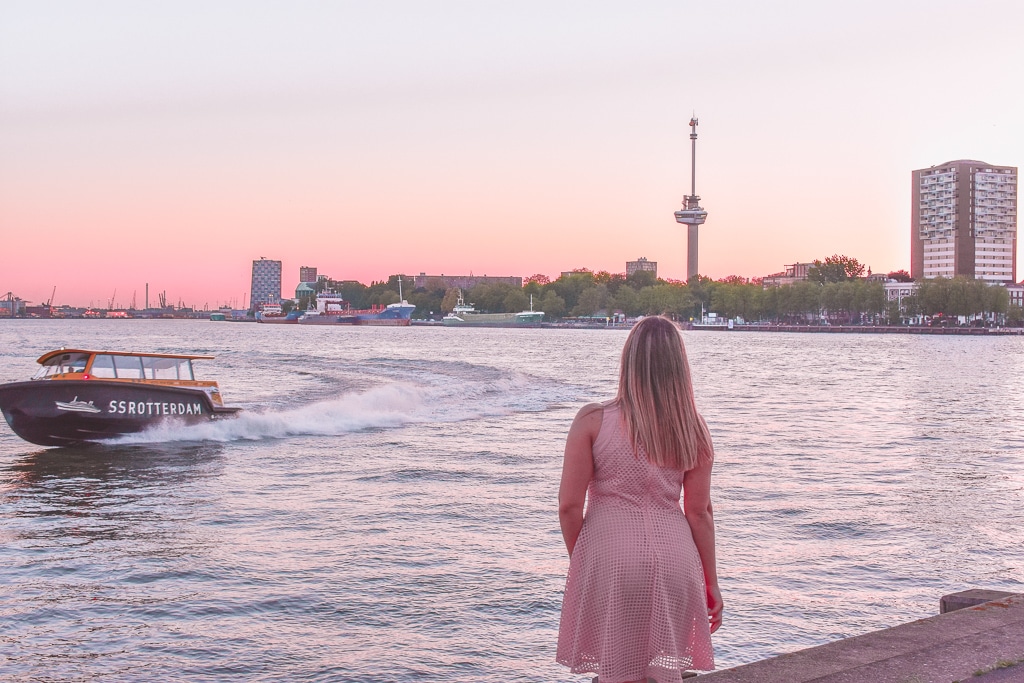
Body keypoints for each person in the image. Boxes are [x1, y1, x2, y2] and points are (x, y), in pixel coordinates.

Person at [556, 316, 722, 683]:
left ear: (628, 360)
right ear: (679, 366)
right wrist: (711, 582)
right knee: (665, 668)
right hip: (677, 560)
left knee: (617, 670)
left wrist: (583, 560)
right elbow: (699, 513)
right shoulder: (693, 429)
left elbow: (569, 507)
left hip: (611, 558)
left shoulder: (593, 420)